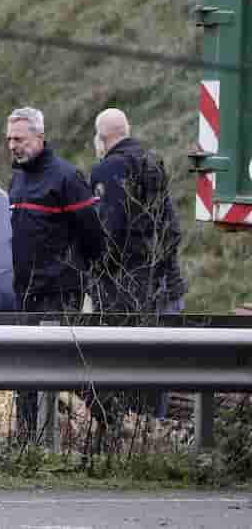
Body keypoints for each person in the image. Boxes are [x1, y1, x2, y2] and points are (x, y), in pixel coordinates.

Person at [6, 106, 103, 441]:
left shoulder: (66, 178)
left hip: (60, 292)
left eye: (19, 139)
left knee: (60, 367)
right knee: (25, 368)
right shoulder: (17, 178)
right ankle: (26, 437)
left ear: (40, 137)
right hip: (27, 290)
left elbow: (93, 234)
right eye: (9, 140)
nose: (12, 146)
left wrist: (76, 273)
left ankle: (101, 425)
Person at [89, 108, 186, 424]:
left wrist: (98, 275)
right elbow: (171, 229)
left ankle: (122, 439)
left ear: (102, 139)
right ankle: (151, 434)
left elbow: (109, 235)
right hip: (165, 288)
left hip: (125, 293)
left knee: (121, 370)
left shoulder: (109, 169)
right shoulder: (153, 163)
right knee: (157, 371)